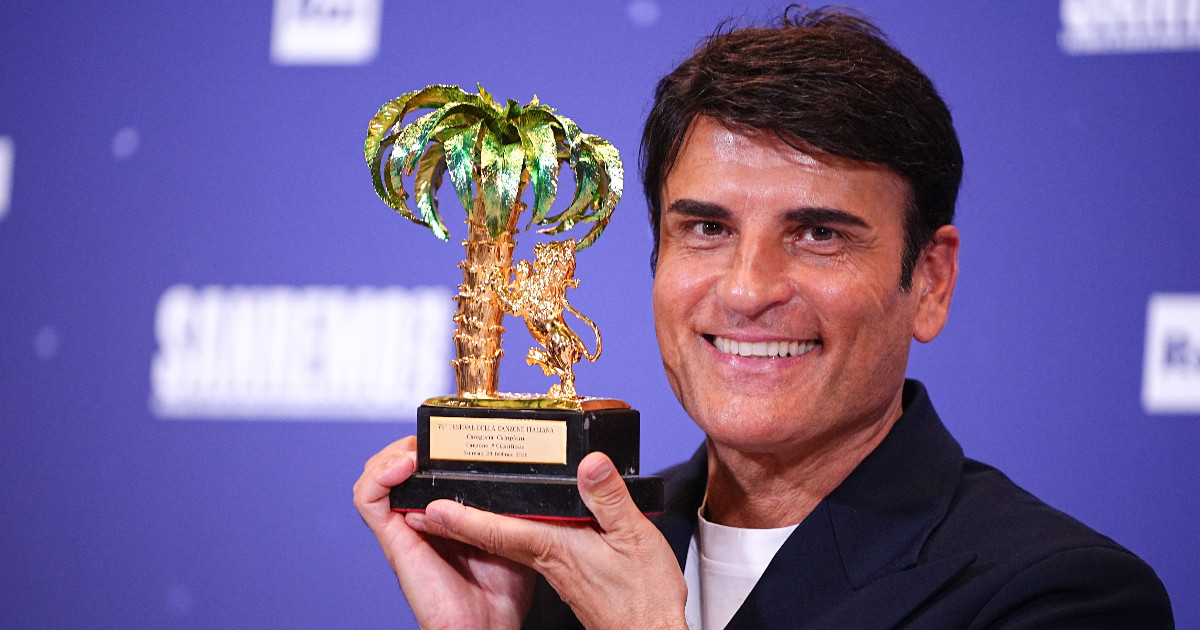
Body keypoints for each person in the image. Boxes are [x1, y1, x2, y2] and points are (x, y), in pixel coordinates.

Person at [354, 7, 1174, 629]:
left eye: (819, 235)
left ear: (930, 280)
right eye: (708, 229)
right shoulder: (562, 567)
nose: (747, 290)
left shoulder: (1064, 595)